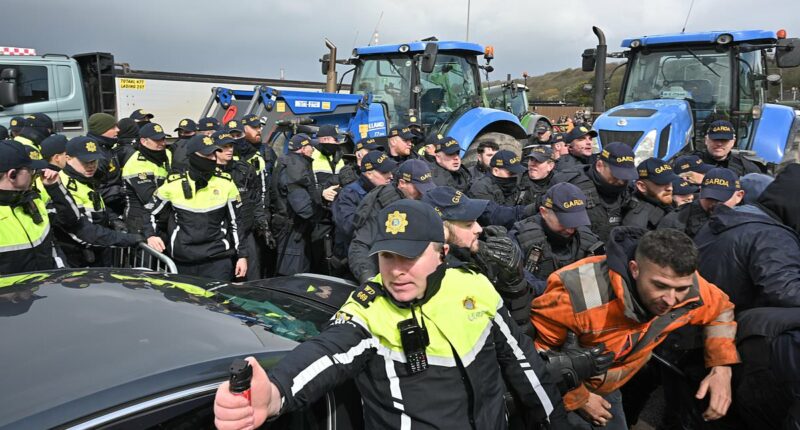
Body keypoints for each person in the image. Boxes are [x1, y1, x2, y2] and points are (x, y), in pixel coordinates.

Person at [213, 200, 577, 429]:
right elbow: (327, 350)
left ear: (442, 253)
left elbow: (522, 364)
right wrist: (275, 394)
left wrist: (554, 421)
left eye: (410, 257)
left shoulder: (474, 287)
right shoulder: (369, 309)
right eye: (388, 256)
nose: (397, 271)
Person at [532, 227, 740, 429]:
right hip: (567, 388)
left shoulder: (688, 284)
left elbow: (721, 310)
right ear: (634, 269)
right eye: (659, 286)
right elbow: (533, 356)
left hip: (610, 385)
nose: (670, 300)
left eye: (681, 289)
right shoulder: (576, 295)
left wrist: (721, 367)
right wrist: (579, 399)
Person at [695, 163, 800, 311]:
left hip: (702, 314)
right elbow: (784, 291)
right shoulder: (773, 236)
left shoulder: (738, 216)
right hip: (727, 322)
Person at [144, 134, 247, 280]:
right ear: (193, 156)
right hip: (182, 262)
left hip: (217, 260)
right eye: (207, 154)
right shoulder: (173, 185)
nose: (212, 158)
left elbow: (236, 223)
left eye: (214, 153)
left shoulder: (226, 183)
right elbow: (149, 212)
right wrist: (151, 235)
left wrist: (242, 256)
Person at [55, 136, 143, 267]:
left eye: (94, 161)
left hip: (97, 253)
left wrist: (112, 219)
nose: (91, 166)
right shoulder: (61, 187)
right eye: (85, 161)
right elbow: (84, 231)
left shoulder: (85, 179)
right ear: (68, 159)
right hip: (77, 260)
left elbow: (96, 207)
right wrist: (127, 239)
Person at [348, 159, 436, 283]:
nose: (422, 193)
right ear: (402, 183)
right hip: (388, 275)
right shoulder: (383, 205)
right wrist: (368, 278)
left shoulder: (421, 199)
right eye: (418, 188)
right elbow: (360, 245)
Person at [510, 183, 601, 292]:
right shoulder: (520, 237)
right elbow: (519, 282)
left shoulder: (588, 239)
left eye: (576, 221)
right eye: (564, 222)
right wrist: (564, 290)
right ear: (544, 212)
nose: (570, 229)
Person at [0, 140, 74, 273]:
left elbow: (71, 223)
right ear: (12, 175)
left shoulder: (32, 201)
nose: (34, 174)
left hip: (46, 290)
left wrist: (55, 188)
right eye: (30, 169)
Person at [551, 142, 637, 242]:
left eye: (626, 176)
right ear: (599, 166)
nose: (622, 181)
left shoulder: (629, 189)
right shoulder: (568, 183)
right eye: (617, 175)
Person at [215, 127, 270, 280]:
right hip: (221, 236)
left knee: (251, 277)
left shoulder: (244, 169)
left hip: (246, 232)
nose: (229, 150)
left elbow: (256, 199)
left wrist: (262, 224)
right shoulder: (208, 173)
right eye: (224, 147)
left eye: (231, 146)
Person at [331, 150, 396, 274]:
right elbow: (349, 228)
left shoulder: (388, 191)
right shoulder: (348, 194)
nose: (390, 176)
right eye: (384, 172)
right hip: (353, 262)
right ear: (369, 174)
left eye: (390, 171)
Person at [270, 134, 321, 275]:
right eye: (311, 146)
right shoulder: (294, 166)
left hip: (293, 227)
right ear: (303, 149)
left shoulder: (294, 162)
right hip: (293, 230)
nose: (313, 150)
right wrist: (320, 210)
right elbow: (303, 208)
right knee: (293, 277)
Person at [658, 167, 744, 238]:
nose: (714, 203)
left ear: (739, 196)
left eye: (720, 199)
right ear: (701, 191)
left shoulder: (748, 227)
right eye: (709, 198)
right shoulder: (674, 222)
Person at [121, 123, 172, 233]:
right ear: (144, 141)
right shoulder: (136, 164)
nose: (162, 143)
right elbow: (149, 197)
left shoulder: (166, 154)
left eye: (163, 139)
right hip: (140, 220)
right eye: (157, 140)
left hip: (163, 215)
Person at [86, 113, 126, 218]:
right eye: (113, 127)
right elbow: (95, 190)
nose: (118, 130)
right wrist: (122, 190)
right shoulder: (95, 154)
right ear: (101, 130)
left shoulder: (107, 148)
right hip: (107, 210)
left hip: (115, 204)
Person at [622, 157, 679, 230]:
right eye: (661, 183)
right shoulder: (636, 223)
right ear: (642, 186)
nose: (669, 188)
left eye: (670, 181)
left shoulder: (664, 202)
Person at [692, 119, 761, 177]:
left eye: (724, 140)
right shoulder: (689, 163)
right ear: (706, 140)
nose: (719, 144)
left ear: (733, 142)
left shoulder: (748, 168)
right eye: (715, 139)